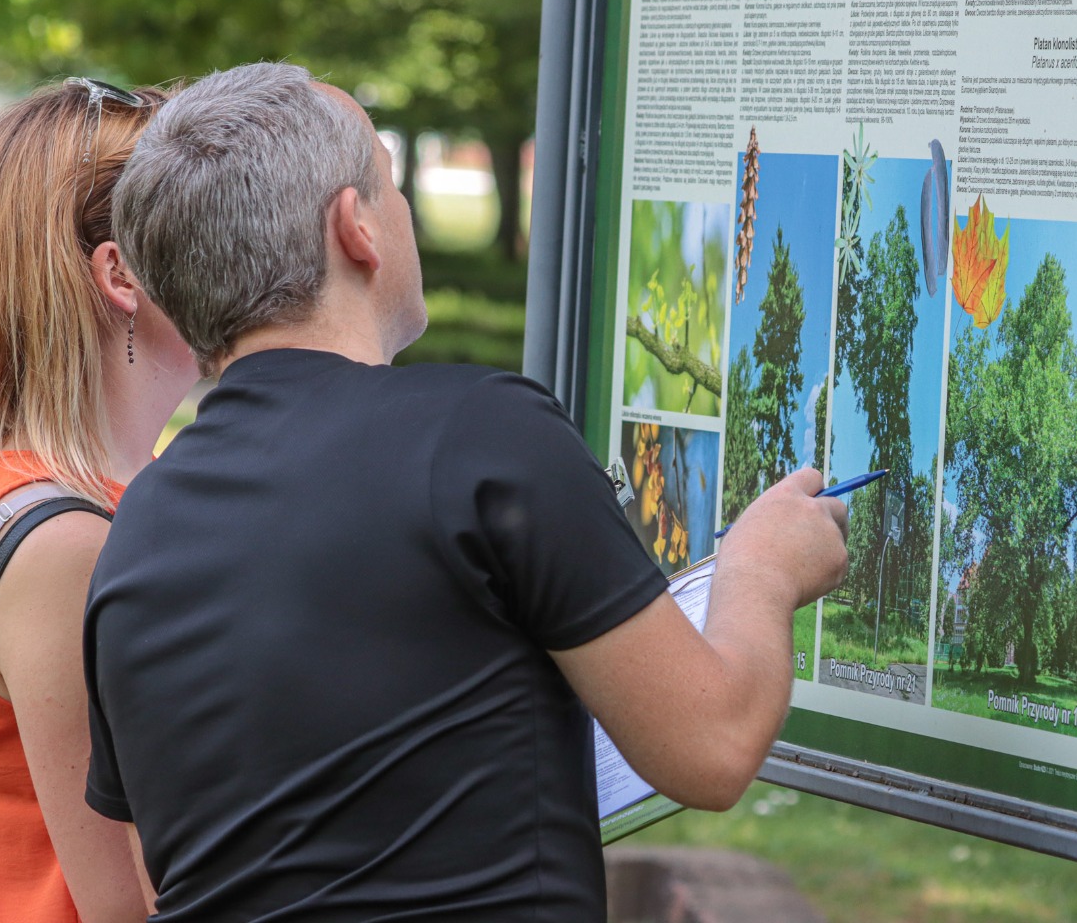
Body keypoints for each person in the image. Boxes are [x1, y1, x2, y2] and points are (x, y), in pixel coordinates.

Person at [84, 61, 850, 921]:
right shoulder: (482, 437)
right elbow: (711, 745)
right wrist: (762, 566)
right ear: (357, 230)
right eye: (389, 182)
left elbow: (161, 880)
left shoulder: (137, 526)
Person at [0, 79, 200, 922]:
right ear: (123, 275)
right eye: (196, 226)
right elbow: (130, 904)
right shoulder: (66, 547)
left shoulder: (42, 498)